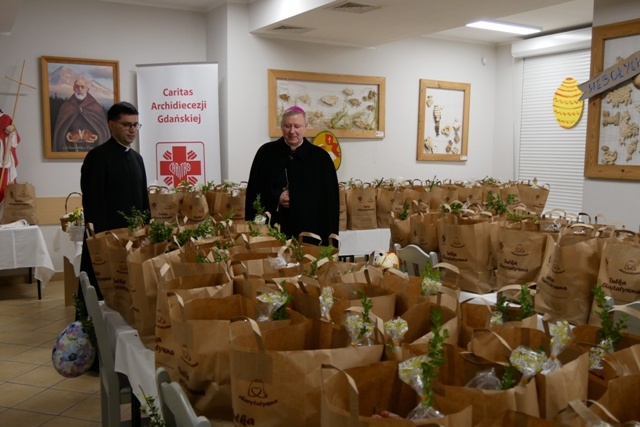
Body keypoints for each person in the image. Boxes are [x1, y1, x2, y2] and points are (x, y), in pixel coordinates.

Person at [79, 101, 149, 299]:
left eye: (135, 125)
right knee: (102, 292)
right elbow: (93, 204)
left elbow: (143, 199)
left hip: (134, 239)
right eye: (126, 125)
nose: (132, 130)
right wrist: (105, 240)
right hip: (108, 239)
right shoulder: (97, 157)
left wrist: (146, 229)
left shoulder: (137, 158)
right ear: (111, 125)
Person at [245, 106, 339, 245]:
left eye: (297, 126)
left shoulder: (320, 158)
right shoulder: (266, 153)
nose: (292, 131)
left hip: (309, 229)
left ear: (306, 127)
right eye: (288, 126)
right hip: (275, 227)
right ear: (281, 127)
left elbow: (329, 201)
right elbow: (255, 191)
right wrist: (277, 197)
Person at [52, 78, 110, 153]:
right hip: (70, 150)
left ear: (87, 89)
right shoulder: (66, 106)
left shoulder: (96, 107)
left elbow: (103, 132)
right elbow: (60, 133)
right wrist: (69, 135)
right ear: (73, 88)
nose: (79, 89)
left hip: (93, 150)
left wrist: (92, 135)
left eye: (82, 87)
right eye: (77, 87)